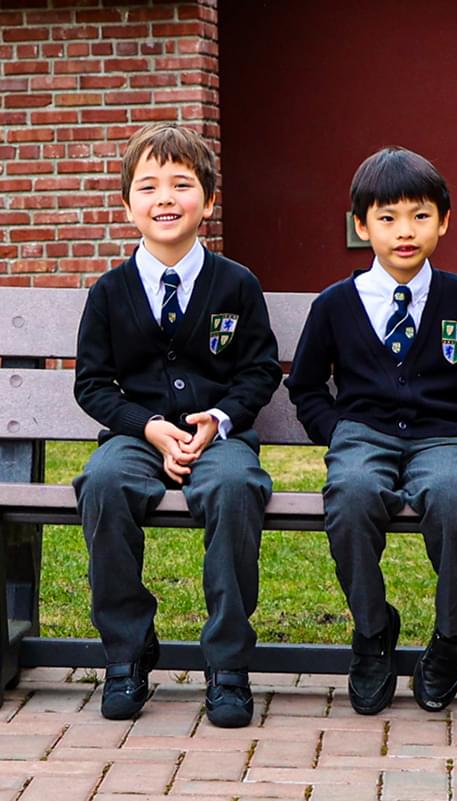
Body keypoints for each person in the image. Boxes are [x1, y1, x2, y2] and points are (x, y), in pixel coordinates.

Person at [285, 146, 457, 715]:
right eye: (387, 218)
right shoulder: (336, 304)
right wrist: (336, 432)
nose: (404, 232)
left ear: (444, 221)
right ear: (362, 226)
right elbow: (307, 385)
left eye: (419, 216)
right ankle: (372, 630)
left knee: (454, 498)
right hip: (362, 435)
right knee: (352, 495)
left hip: (443, 437)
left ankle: (451, 637)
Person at [73, 122, 282, 728]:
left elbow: (259, 371)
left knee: (235, 488)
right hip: (136, 437)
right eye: (148, 186)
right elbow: (92, 383)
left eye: (181, 184)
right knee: (103, 484)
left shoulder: (236, 284)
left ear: (209, 201)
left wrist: (218, 420)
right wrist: (147, 427)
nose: (165, 198)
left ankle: (227, 663)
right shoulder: (110, 292)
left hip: (221, 437)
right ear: (128, 206)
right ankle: (128, 651)